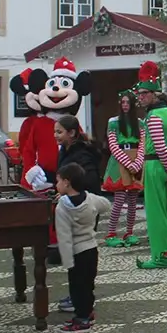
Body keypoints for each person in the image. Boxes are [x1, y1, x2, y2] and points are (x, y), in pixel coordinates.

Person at [133, 61, 167, 269]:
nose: (140, 97)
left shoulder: (153, 116)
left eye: (144, 93)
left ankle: (160, 257)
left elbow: (162, 148)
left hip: (155, 165)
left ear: (154, 93)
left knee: (155, 214)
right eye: (139, 93)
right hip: (166, 166)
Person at [53, 162, 112, 333]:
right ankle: (88, 313)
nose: (56, 185)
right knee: (88, 284)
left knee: (77, 288)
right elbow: (106, 205)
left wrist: (67, 261)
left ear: (66, 182)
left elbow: (63, 236)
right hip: (91, 249)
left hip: (76, 252)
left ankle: (82, 319)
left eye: (57, 181)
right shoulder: (90, 198)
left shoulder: (62, 207)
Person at [52, 114, 103, 313]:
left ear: (71, 133)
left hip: (81, 209)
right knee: (77, 257)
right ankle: (78, 296)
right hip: (72, 206)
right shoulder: (65, 151)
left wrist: (73, 194)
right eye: (55, 132)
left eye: (59, 132)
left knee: (82, 258)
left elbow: (89, 182)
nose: (56, 135)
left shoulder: (81, 154)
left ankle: (82, 301)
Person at [102, 90, 144, 247]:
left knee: (133, 200)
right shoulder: (113, 122)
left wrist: (138, 161)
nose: (125, 105)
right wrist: (128, 163)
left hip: (135, 158)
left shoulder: (140, 123)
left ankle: (129, 232)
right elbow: (113, 144)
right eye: (123, 102)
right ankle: (111, 233)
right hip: (119, 160)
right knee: (119, 199)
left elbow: (142, 144)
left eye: (128, 102)